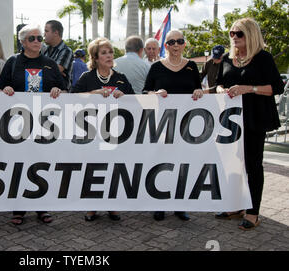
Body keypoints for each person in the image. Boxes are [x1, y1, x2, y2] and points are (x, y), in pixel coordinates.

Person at [214, 18, 284, 230]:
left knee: (253, 165)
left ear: (251, 34)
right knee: (233, 164)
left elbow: (277, 87)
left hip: (255, 118)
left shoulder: (263, 58)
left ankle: (253, 212)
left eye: (239, 34)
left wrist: (248, 88)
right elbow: (218, 84)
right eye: (232, 33)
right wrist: (221, 91)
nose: (234, 37)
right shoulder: (227, 58)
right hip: (231, 119)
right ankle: (235, 206)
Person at [0, 25, 66, 225]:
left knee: (41, 165)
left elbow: (65, 91)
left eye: (39, 38)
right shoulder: (13, 62)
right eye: (32, 38)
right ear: (23, 42)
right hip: (17, 124)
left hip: (44, 125)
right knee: (18, 165)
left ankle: (42, 207)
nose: (37, 41)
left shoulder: (50, 63)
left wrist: (58, 92)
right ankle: (18, 209)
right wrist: (5, 89)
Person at [143, 30, 204, 222]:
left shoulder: (192, 66)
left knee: (183, 166)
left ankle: (180, 205)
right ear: (166, 46)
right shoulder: (156, 67)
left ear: (184, 44)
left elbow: (199, 89)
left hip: (187, 127)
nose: (176, 45)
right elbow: (145, 93)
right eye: (171, 42)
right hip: (162, 125)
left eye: (179, 41)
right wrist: (155, 93)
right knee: (162, 165)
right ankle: (160, 204)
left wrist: (198, 92)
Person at [72, 37, 134, 222]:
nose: (108, 56)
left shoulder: (121, 78)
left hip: (115, 133)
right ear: (95, 58)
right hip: (92, 132)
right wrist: (93, 94)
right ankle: (92, 207)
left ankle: (112, 206)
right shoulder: (87, 77)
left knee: (113, 168)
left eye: (110, 52)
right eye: (104, 53)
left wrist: (124, 96)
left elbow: (135, 101)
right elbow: (73, 97)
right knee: (92, 169)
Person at [42, 20, 74, 90]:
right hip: (46, 94)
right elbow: (53, 72)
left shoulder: (66, 50)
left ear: (56, 33)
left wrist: (46, 69)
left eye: (46, 31)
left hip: (61, 96)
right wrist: (49, 69)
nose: (44, 34)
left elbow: (56, 71)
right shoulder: (45, 51)